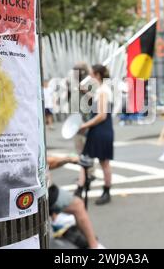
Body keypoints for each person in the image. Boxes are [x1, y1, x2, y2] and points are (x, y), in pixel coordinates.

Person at [76, 64, 114, 205]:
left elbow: (102, 115)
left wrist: (85, 125)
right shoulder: (101, 90)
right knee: (86, 159)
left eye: (92, 74)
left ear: (97, 75)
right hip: (100, 130)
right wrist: (85, 92)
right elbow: (97, 103)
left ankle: (106, 191)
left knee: (103, 162)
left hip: (101, 130)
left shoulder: (103, 91)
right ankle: (80, 188)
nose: (90, 76)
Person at [47, 155, 102, 249]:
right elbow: (46, 162)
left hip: (36, 191)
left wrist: (67, 160)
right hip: (44, 192)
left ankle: (56, 219)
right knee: (78, 205)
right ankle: (94, 246)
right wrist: (68, 159)